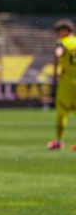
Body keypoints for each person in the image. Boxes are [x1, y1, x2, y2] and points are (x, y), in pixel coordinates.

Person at [48, 19, 76, 150]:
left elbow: (58, 53)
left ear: (65, 31)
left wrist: (54, 76)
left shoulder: (62, 43)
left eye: (59, 32)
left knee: (62, 113)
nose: (58, 34)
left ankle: (58, 142)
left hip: (67, 84)